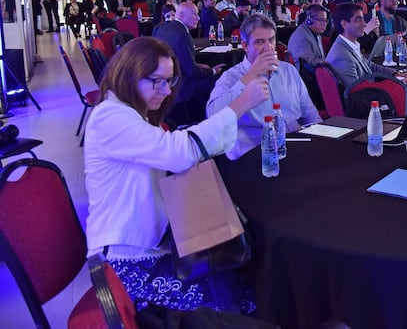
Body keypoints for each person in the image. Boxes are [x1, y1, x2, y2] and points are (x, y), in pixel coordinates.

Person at [83, 37, 269, 313]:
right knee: (230, 304)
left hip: (152, 241)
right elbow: (177, 153)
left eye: (169, 81)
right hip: (124, 257)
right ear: (128, 73)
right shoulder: (110, 117)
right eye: (155, 80)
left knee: (242, 284)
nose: (165, 90)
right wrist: (239, 105)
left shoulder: (133, 113)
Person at [207, 14, 321, 158]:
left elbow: (309, 113)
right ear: (245, 46)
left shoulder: (288, 70)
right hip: (256, 151)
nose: (268, 48)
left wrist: (321, 140)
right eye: (260, 42)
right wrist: (251, 75)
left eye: (271, 40)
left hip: (294, 144)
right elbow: (213, 116)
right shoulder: (232, 77)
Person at [154, 2, 225, 124]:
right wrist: (212, 71)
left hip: (164, 80)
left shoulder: (163, 27)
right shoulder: (182, 34)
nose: (198, 18)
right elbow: (191, 71)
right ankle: (212, 119)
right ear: (181, 15)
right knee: (218, 80)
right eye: (194, 14)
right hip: (181, 85)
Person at [326, 3, 407, 89]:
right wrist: (391, 84)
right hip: (367, 98)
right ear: (344, 24)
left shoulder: (348, 45)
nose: (365, 24)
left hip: (369, 91)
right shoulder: (342, 56)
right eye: (359, 20)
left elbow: (369, 65)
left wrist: (394, 73)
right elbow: (356, 92)